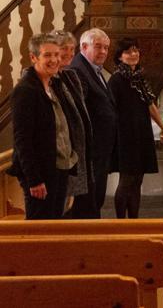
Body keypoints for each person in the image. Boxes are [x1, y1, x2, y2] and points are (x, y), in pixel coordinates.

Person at [9, 33, 78, 219]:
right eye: (47, 55)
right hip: (41, 172)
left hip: (59, 167)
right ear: (33, 57)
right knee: (40, 226)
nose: (54, 60)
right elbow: (22, 140)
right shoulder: (26, 91)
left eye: (57, 54)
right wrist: (34, 179)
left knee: (56, 223)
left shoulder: (53, 86)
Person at [108, 37, 163, 219]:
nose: (133, 54)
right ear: (120, 56)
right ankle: (121, 223)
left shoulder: (140, 77)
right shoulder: (116, 80)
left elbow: (150, 104)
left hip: (141, 132)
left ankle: (134, 220)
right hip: (125, 136)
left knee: (138, 180)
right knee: (126, 180)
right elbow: (111, 111)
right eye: (128, 51)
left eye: (136, 50)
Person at [69, 27, 117, 217]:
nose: (103, 52)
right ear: (84, 46)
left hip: (99, 150)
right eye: (98, 47)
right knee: (88, 203)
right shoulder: (78, 70)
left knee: (95, 199)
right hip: (90, 150)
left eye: (106, 48)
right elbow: (79, 113)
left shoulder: (93, 69)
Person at [51, 30, 95, 218]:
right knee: (61, 211)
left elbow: (80, 111)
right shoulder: (46, 81)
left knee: (77, 207)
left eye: (72, 49)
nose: (70, 53)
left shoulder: (69, 76)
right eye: (64, 49)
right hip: (62, 154)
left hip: (78, 151)